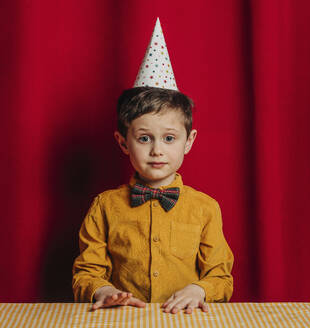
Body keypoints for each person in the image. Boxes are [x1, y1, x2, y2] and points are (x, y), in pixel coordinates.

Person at [72, 18, 233, 315]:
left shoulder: (206, 208)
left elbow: (221, 277)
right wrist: (105, 291)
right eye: (144, 138)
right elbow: (86, 273)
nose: (157, 150)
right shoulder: (105, 206)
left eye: (169, 138)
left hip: (186, 321)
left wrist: (199, 289)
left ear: (188, 141)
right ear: (123, 142)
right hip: (121, 321)